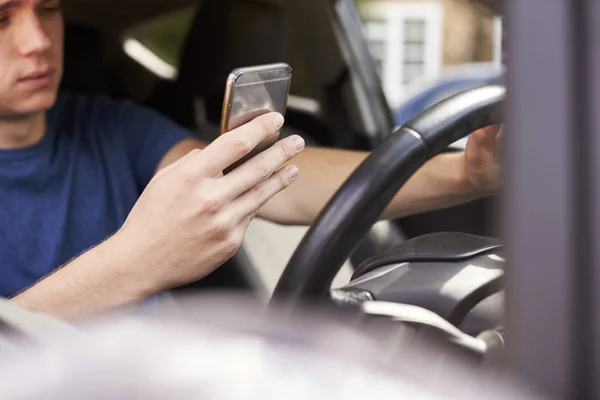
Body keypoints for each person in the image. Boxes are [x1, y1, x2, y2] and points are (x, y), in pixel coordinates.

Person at [1, 0, 502, 320]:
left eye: (48, 9)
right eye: (2, 18)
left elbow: (275, 182)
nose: (38, 41)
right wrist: (138, 261)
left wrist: (463, 171)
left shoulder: (109, 125)